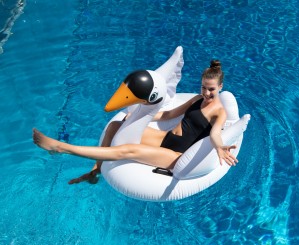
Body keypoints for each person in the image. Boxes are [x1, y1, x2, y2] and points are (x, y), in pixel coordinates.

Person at [33, 60, 238, 184]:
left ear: (220, 86)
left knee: (129, 149)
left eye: (211, 89)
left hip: (175, 154)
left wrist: (220, 147)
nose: (206, 92)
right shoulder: (197, 99)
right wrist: (141, 116)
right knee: (116, 125)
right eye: (204, 87)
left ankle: (62, 147)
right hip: (165, 138)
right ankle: (96, 170)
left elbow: (215, 134)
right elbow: (168, 115)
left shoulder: (219, 112)